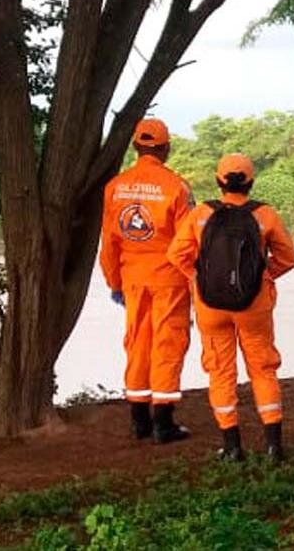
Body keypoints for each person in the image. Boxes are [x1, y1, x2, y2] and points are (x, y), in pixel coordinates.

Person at [168, 153, 294, 462]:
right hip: (254, 306)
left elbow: (176, 254)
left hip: (210, 306)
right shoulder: (265, 215)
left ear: (219, 181)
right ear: (251, 183)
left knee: (220, 373)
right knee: (263, 370)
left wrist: (198, 278)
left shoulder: (201, 214)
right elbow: (288, 258)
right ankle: (273, 447)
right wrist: (263, 276)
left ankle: (232, 447)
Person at [99, 118, 196, 443]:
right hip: (169, 280)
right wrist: (194, 283)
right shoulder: (177, 188)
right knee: (168, 343)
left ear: (135, 147)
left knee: (137, 343)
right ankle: (163, 423)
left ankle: (139, 419)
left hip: (132, 280)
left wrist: (114, 282)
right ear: (166, 148)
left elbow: (109, 243)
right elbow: (188, 243)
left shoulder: (115, 187)